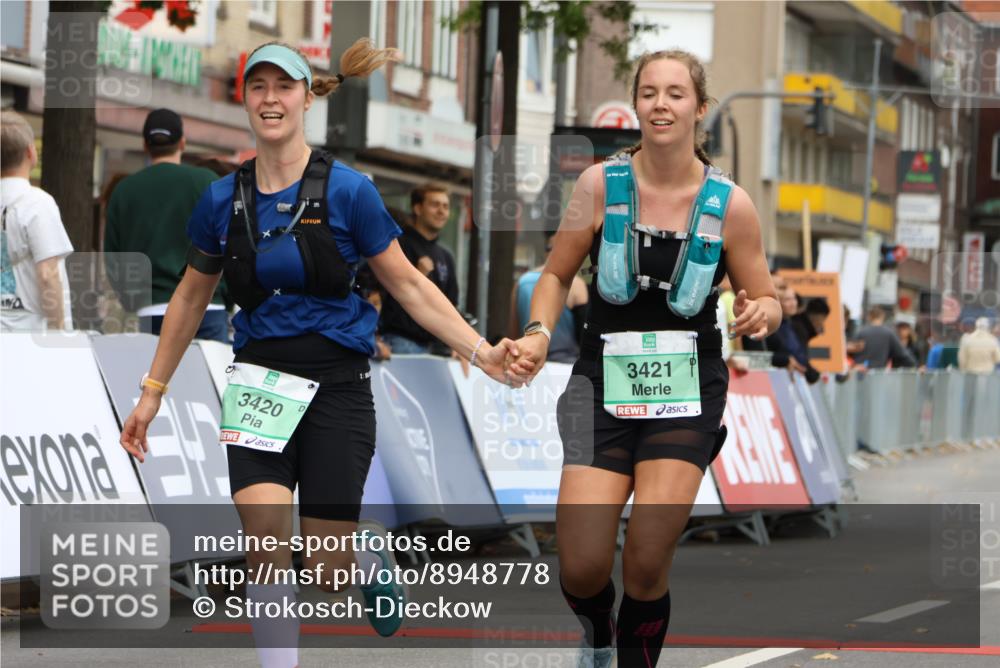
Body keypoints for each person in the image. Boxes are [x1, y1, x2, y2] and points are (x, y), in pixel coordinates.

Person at [117, 39, 521, 668]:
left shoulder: (350, 192)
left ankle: (362, 551)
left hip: (337, 386)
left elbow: (409, 284)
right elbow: (190, 302)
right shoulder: (221, 200)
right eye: (259, 87)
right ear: (245, 98)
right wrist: (151, 394)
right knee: (264, 538)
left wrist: (479, 348)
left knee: (327, 571)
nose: (270, 99)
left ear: (307, 97)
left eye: (284, 88)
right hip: (258, 384)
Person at [506, 49, 780, 667]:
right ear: (636, 104)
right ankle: (598, 634)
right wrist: (538, 333)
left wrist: (762, 310)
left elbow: (763, 294)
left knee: (647, 560)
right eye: (650, 92)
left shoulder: (730, 204)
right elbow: (553, 276)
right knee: (579, 566)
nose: (661, 104)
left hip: (686, 392)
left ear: (699, 108)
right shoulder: (599, 186)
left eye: (676, 93)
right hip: (597, 385)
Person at [104, 108, 228, 342]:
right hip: (207, 306)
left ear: (145, 145)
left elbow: (114, 258)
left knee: (158, 378)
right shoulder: (206, 181)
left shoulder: (124, 190)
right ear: (182, 142)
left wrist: (132, 299)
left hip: (151, 308)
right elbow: (231, 246)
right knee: (208, 379)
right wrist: (227, 297)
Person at [1, 110, 73, 332]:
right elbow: (47, 273)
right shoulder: (36, 202)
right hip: (29, 334)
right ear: (31, 152)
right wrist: (57, 331)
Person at [378, 182, 459, 355]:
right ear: (417, 208)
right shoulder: (398, 245)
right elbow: (379, 295)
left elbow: (451, 306)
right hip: (400, 341)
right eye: (434, 204)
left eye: (445, 206)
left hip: (435, 347)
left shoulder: (445, 256)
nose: (441, 211)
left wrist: (456, 345)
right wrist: (419, 275)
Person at [509, 232, 589, 363]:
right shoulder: (576, 285)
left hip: (528, 360)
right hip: (566, 364)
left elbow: (513, 331)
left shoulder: (522, 282)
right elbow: (584, 336)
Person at [850, 306, 915, 369]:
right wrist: (914, 366)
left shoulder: (861, 333)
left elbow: (851, 353)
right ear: (882, 317)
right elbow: (904, 356)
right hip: (879, 376)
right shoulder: (888, 333)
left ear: (869, 317)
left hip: (859, 376)